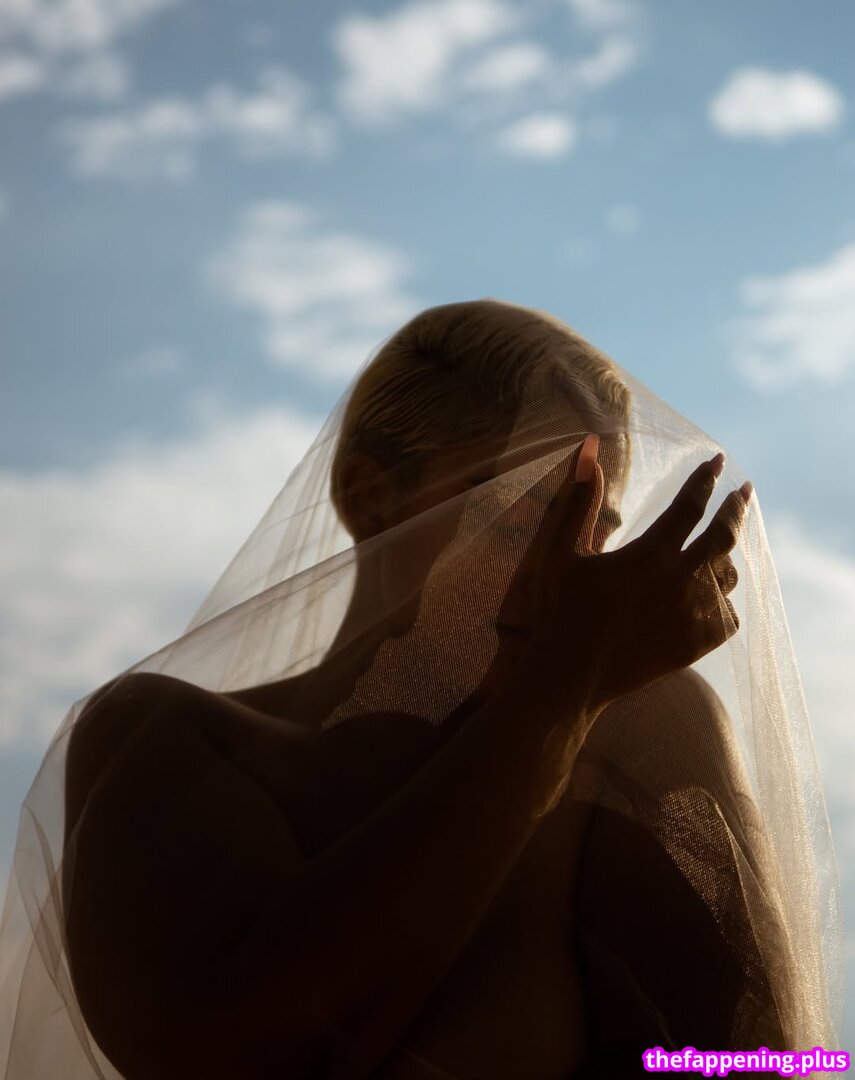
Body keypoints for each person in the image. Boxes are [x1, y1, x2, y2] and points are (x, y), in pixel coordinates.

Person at [0, 300, 842, 1079]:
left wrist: (573, 696)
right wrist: (556, 696)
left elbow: (750, 1063)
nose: (566, 567)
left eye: (595, 527)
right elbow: (233, 1050)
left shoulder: (633, 739)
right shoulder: (171, 740)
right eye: (520, 516)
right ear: (371, 497)